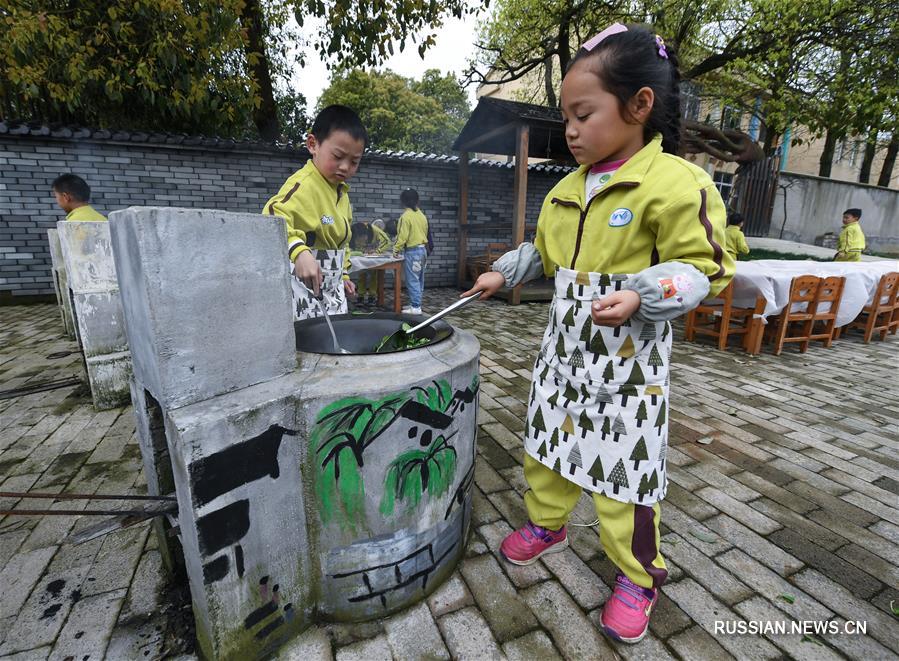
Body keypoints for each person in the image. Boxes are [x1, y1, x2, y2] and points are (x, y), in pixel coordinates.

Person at [463, 23, 734, 644]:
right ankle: (548, 523)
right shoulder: (564, 188)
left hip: (628, 366)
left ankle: (637, 575)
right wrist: (503, 274)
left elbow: (706, 268)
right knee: (547, 451)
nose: (572, 130)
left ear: (639, 104)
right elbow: (543, 253)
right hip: (563, 357)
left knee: (624, 474)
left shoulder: (675, 183)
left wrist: (645, 292)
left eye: (583, 114)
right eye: (566, 117)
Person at [263, 105, 367, 320]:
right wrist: (299, 251)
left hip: (334, 288)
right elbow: (271, 215)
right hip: (305, 288)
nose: (346, 167)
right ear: (313, 145)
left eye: (354, 162)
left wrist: (344, 274)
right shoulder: (304, 184)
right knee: (310, 344)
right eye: (338, 156)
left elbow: (342, 241)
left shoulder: (341, 192)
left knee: (337, 340)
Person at [393, 188, 429, 315]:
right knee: (419, 279)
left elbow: (402, 237)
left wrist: (395, 250)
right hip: (422, 250)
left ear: (402, 202)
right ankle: (416, 304)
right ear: (417, 200)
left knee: (412, 280)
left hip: (412, 252)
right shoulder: (422, 215)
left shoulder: (405, 217)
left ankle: (416, 307)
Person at [349, 221, 391, 304]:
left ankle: (372, 296)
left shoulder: (375, 230)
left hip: (373, 254)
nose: (361, 240)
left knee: (373, 275)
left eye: (361, 237)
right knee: (361, 273)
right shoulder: (354, 232)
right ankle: (360, 295)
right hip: (363, 255)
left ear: (365, 234)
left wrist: (377, 251)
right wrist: (359, 252)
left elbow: (387, 242)